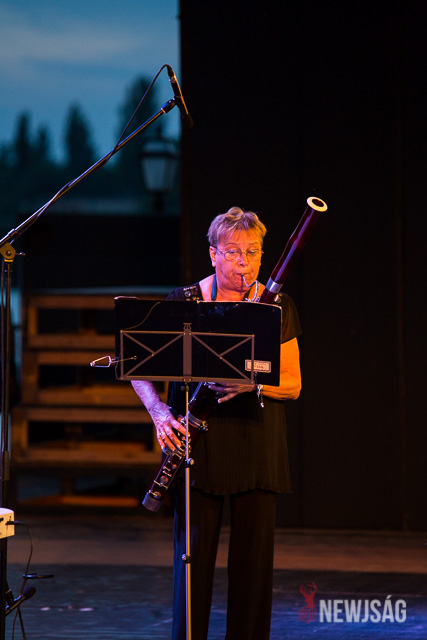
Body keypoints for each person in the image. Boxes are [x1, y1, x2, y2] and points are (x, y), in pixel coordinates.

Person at [131, 206, 302, 640]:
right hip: (196, 449)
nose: (245, 263)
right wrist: (160, 413)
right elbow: (136, 364)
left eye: (253, 252)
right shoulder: (184, 302)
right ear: (213, 254)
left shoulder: (276, 305)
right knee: (192, 572)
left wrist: (251, 384)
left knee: (252, 572)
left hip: (256, 444)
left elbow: (293, 383)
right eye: (233, 252)